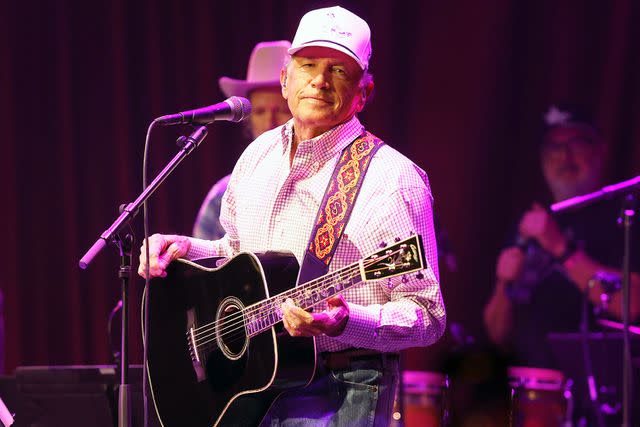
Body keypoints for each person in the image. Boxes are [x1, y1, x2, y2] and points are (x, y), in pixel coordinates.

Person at [139, 6, 445, 426]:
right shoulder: (258, 154)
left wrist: (344, 322)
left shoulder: (392, 179)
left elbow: (427, 316)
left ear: (364, 92)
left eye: (338, 70)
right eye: (307, 65)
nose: (319, 80)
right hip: (253, 383)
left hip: (343, 387)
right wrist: (185, 248)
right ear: (286, 79)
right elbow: (236, 250)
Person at [483, 104, 640, 421]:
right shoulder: (528, 225)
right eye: (554, 147)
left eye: (576, 143)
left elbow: (632, 304)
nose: (564, 156)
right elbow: (498, 335)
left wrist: (559, 247)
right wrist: (503, 284)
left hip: (601, 406)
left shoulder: (624, 216)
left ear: (600, 150)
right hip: (528, 402)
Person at [193, 40, 292, 240]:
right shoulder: (224, 194)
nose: (269, 122)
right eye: (260, 112)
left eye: (281, 111)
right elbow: (200, 267)